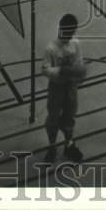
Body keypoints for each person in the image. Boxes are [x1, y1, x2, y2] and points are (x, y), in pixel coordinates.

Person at [42, 13, 87, 164]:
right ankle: (52, 147)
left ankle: (69, 144)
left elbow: (79, 63)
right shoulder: (51, 48)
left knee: (70, 117)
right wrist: (61, 71)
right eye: (67, 31)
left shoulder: (76, 44)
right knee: (53, 118)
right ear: (60, 28)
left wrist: (78, 72)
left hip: (71, 87)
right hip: (56, 88)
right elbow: (45, 69)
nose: (69, 35)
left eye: (71, 32)